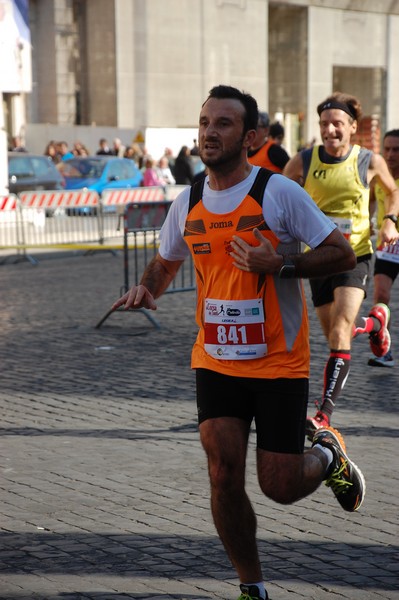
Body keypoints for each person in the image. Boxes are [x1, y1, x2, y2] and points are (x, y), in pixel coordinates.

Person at [112, 84, 365, 600]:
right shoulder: (190, 200)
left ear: (249, 137)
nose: (209, 132)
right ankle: (252, 585)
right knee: (222, 472)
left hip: (277, 362)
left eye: (223, 124)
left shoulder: (278, 193)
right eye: (204, 122)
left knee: (280, 484)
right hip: (217, 357)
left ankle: (327, 456)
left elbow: (341, 253)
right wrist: (147, 287)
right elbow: (166, 261)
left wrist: (283, 264)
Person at [283, 92, 399, 438]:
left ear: (352, 127)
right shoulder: (302, 160)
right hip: (317, 258)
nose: (330, 130)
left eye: (337, 124)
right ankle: (376, 327)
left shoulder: (369, 160)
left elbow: (393, 190)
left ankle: (323, 414)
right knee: (341, 332)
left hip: (355, 255)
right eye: (324, 124)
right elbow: (278, 196)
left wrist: (391, 220)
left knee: (339, 330)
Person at [367, 129, 399, 367]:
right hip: (389, 245)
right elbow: (369, 200)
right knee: (381, 296)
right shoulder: (379, 176)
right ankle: (383, 350)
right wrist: (366, 221)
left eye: (396, 150)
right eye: (386, 149)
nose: (390, 154)